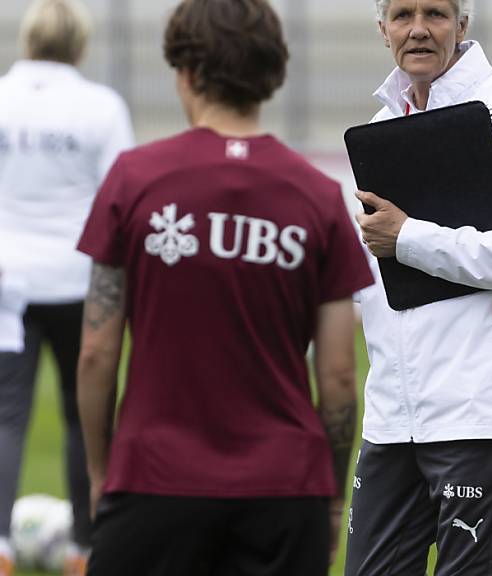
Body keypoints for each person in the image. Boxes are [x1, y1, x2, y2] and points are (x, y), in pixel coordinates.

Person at [75, 0, 373, 574]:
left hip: (152, 482)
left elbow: (95, 352)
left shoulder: (134, 180)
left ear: (184, 72)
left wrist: (98, 470)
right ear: (272, 74)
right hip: (285, 491)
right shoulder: (317, 196)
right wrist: (332, 499)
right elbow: (337, 375)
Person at [344, 0, 492, 574]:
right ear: (382, 29)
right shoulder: (377, 132)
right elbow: (374, 275)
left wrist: (409, 237)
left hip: (480, 407)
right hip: (393, 415)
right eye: (402, 15)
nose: (418, 28)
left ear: (463, 25)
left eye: (436, 13)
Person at [0, 0, 134, 574]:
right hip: (82, 282)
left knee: (5, 418)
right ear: (80, 44)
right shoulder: (100, 106)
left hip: (7, 282)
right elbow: (122, 197)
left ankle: (1, 550)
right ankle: (84, 549)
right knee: (87, 417)